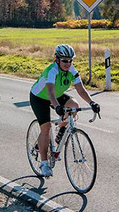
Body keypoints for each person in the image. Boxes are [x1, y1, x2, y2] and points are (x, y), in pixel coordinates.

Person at [29, 44, 101, 177]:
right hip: (40, 97)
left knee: (74, 105)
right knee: (46, 128)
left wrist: (92, 102)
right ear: (57, 59)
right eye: (64, 60)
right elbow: (50, 92)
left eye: (70, 60)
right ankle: (44, 163)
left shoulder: (72, 71)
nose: (68, 63)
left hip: (56, 95)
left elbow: (80, 89)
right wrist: (57, 107)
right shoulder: (52, 71)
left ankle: (61, 131)